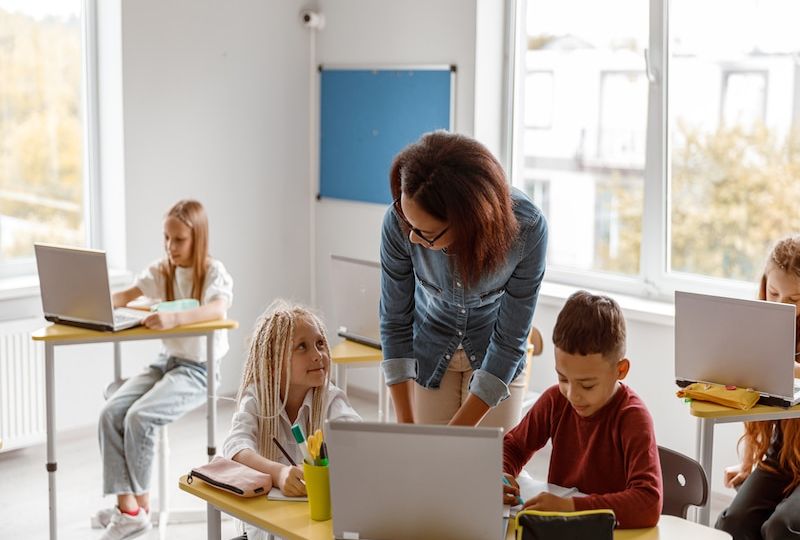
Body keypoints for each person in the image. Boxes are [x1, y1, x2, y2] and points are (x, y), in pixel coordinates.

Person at [380, 131, 548, 429]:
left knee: (487, 466)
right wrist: (406, 426)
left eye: (426, 234)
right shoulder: (400, 222)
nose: (412, 238)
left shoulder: (528, 230)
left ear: (468, 221)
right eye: (409, 224)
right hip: (431, 349)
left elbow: (509, 342)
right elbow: (395, 322)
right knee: (431, 466)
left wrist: (456, 438)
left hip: (495, 354)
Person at [95, 199, 234, 539]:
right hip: (166, 363)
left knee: (139, 418)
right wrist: (89, 298)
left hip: (198, 370)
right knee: (111, 412)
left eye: (179, 240)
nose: (171, 247)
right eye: (166, 239)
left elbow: (218, 309)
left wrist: (172, 318)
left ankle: (136, 510)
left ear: (197, 237)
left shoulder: (214, 274)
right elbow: (126, 295)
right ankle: (130, 509)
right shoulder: (163, 270)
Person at [501, 291, 662, 529]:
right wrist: (502, 477)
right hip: (560, 531)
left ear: (620, 370)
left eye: (587, 385)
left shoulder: (632, 417)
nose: (572, 394)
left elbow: (648, 503)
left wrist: (569, 507)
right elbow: (513, 446)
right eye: (562, 378)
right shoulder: (556, 399)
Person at [222, 300, 361, 540]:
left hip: (317, 529)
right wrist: (279, 473)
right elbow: (235, 448)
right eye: (302, 347)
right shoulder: (257, 398)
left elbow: (358, 437)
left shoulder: (329, 398)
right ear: (273, 365)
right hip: (268, 530)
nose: (318, 355)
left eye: (320, 344)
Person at [715, 236, 800, 540]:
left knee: (780, 528)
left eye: (794, 299)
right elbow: (754, 401)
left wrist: (786, 367)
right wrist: (747, 462)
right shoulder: (757, 323)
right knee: (731, 523)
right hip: (782, 458)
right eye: (774, 292)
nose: (780, 305)